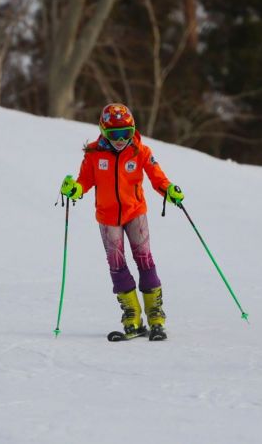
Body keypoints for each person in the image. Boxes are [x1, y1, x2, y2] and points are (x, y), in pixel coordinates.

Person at [60, 103, 185, 341]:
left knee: (144, 259)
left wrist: (169, 191)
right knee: (117, 265)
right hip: (108, 218)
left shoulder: (141, 151)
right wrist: (73, 189)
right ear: (103, 132)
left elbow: (157, 177)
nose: (120, 139)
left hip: (135, 212)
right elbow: (84, 182)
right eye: (114, 134)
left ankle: (155, 315)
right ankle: (132, 315)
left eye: (126, 133)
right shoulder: (94, 154)